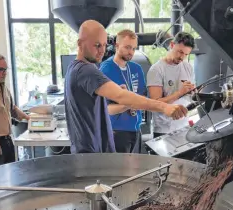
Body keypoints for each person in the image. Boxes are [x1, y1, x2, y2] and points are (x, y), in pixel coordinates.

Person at [64, 20, 188, 154]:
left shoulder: (75, 67)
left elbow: (122, 96)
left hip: (96, 146)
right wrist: (165, 107)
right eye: (97, 45)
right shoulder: (86, 70)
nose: (102, 51)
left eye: (105, 45)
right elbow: (120, 96)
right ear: (80, 44)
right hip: (91, 151)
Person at [100, 29, 146, 153]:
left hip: (136, 129)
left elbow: (142, 98)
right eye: (127, 47)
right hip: (116, 131)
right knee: (120, 171)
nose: (131, 52)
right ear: (117, 45)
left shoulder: (136, 68)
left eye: (133, 48)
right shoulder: (106, 69)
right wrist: (130, 102)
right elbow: (106, 109)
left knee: (136, 170)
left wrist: (132, 101)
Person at [147, 32, 196, 138]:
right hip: (164, 130)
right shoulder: (157, 70)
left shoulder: (188, 67)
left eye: (186, 54)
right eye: (180, 52)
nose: (182, 57)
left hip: (184, 127)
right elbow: (154, 104)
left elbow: (190, 98)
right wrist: (180, 93)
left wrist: (193, 93)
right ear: (172, 45)